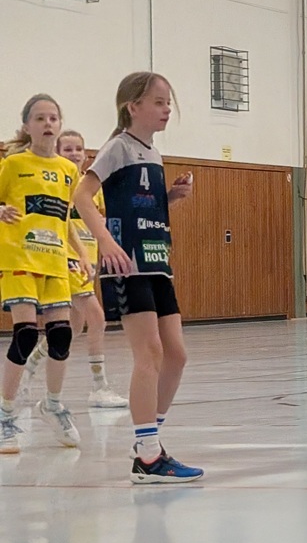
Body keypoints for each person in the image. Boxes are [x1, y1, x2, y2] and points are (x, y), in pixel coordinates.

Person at [74, 71, 203, 484]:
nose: (167, 109)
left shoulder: (153, 154)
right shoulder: (118, 147)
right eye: (159, 102)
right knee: (149, 353)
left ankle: (150, 443)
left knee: (176, 355)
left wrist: (170, 198)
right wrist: (105, 242)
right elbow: (82, 197)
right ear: (133, 106)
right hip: (126, 263)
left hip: (156, 260)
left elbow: (140, 205)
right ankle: (148, 455)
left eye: (168, 102)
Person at [0, 94, 92, 454]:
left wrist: (82, 254)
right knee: (25, 335)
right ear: (27, 126)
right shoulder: (13, 163)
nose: (48, 123)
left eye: (53, 117)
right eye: (40, 118)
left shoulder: (68, 170)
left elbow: (65, 217)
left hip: (55, 261)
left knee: (61, 335)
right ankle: (5, 415)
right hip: (19, 257)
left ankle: (52, 405)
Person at [18, 131, 129, 409]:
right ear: (57, 152)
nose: (74, 153)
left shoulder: (92, 189)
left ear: (86, 155)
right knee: (98, 318)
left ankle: (29, 365)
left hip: (88, 261)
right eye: (67, 149)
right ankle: (99, 387)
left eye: (78, 149)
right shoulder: (58, 185)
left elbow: (101, 222)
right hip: (67, 258)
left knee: (74, 327)